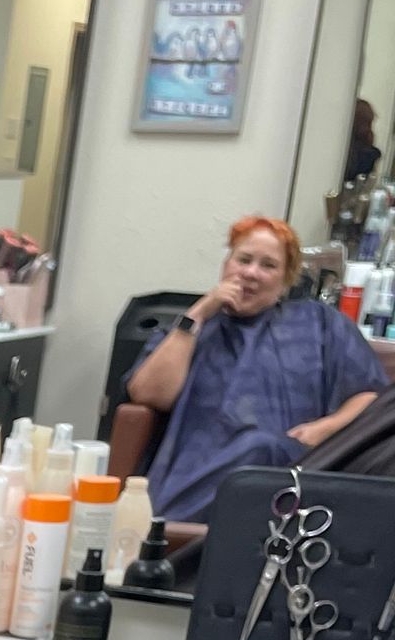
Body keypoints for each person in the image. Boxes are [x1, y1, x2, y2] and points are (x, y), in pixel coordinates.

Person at [127, 213, 385, 523]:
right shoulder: (195, 329)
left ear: (285, 280)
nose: (251, 273)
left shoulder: (320, 324)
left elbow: (370, 395)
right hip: (199, 461)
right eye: (243, 259)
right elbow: (149, 394)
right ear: (226, 265)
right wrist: (200, 312)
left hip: (291, 462)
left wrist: (326, 428)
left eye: (268, 266)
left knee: (260, 446)